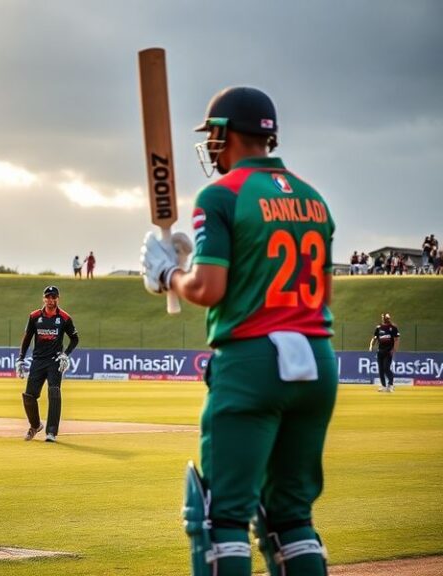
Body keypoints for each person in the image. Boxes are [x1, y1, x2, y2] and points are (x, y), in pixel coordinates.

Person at [141, 86, 336, 576]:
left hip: (252, 361)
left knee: (221, 518)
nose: (210, 144)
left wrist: (168, 275)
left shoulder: (221, 195)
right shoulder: (314, 199)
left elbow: (207, 288)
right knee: (291, 518)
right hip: (317, 360)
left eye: (212, 134)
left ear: (225, 133)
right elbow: (321, 297)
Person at [16, 285, 79, 443]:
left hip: (55, 361)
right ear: (43, 298)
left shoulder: (64, 318)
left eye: (54, 297)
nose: (51, 300)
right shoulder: (35, 316)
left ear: (58, 298)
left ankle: (51, 432)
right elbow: (27, 338)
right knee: (29, 396)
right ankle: (35, 425)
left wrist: (66, 354)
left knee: (54, 392)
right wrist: (20, 359)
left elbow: (75, 338)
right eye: (48, 297)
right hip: (38, 360)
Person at [369, 313, 400, 392]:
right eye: (383, 317)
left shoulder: (393, 327)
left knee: (386, 368)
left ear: (388, 318)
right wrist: (371, 346)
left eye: (385, 317)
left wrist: (394, 349)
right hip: (380, 351)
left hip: (388, 351)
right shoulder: (379, 327)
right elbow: (375, 338)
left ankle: (391, 384)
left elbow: (396, 339)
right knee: (381, 369)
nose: (384, 319)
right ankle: (383, 386)